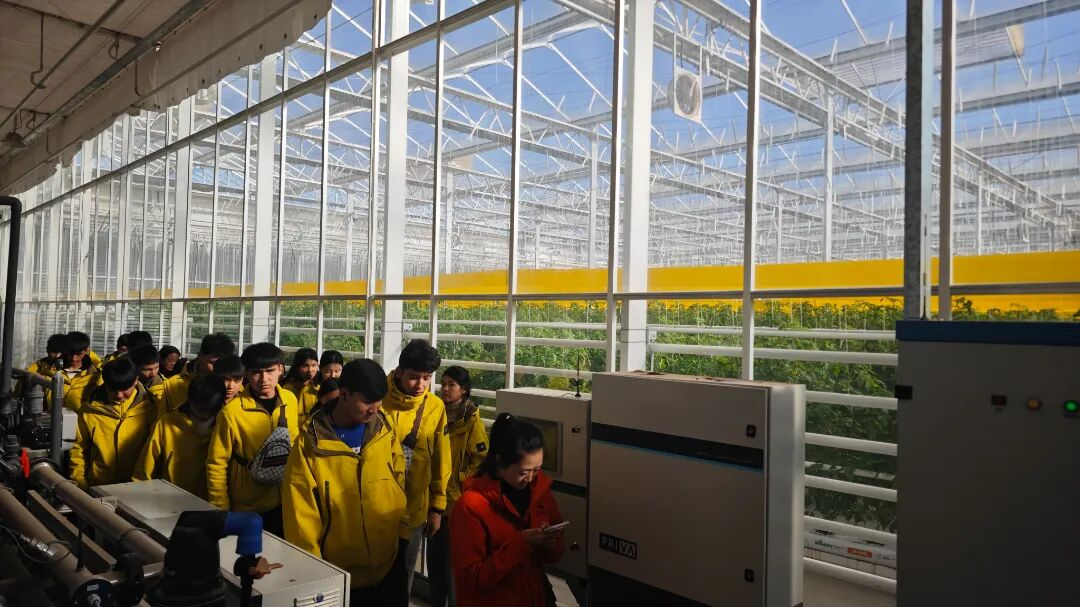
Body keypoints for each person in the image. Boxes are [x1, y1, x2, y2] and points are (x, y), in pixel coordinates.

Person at [283, 359, 408, 606]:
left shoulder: (382, 428)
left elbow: (398, 476)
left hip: (389, 560)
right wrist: (314, 569)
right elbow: (300, 515)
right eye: (367, 402)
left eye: (379, 401)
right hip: (339, 572)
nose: (375, 409)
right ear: (343, 394)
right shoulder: (311, 444)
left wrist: (402, 530)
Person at [450, 413, 565, 607]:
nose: (530, 478)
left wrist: (550, 543)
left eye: (537, 470)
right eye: (523, 472)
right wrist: (521, 544)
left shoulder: (540, 493)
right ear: (500, 461)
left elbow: (555, 555)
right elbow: (472, 579)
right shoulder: (471, 506)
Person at [206, 342, 298, 537]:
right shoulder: (232, 412)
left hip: (285, 499)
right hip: (248, 504)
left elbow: (294, 441)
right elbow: (216, 463)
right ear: (246, 374)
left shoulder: (290, 400)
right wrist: (221, 509)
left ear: (280, 369)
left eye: (270, 371)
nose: (264, 379)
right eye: (256, 372)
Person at [382, 339, 451, 593]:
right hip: (376, 511)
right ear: (399, 372)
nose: (421, 385)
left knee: (404, 580)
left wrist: (437, 508)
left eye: (427, 378)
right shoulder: (378, 398)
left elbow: (441, 459)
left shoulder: (435, 407)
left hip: (414, 511)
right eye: (414, 377)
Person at [428, 366, 488, 607]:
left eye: (451, 384)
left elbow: (481, 459)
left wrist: (460, 479)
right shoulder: (434, 412)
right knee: (435, 562)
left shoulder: (471, 419)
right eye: (443, 383)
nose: (445, 388)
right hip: (434, 499)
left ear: (463, 389)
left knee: (454, 564)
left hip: (457, 502)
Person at [69, 358, 158, 490]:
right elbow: (78, 449)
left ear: (136, 380)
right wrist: (81, 483)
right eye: (113, 389)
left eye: (124, 389)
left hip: (138, 488)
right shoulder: (89, 411)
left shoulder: (152, 408)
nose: (119, 395)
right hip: (98, 486)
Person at [134, 374, 226, 500]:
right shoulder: (167, 423)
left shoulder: (225, 425)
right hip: (171, 499)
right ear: (189, 400)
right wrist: (138, 496)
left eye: (211, 410)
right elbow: (145, 467)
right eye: (200, 409)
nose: (205, 415)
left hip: (211, 502)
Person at [160, 333, 235, 414]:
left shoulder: (234, 386)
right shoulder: (172, 385)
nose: (219, 369)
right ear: (200, 355)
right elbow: (162, 418)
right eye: (213, 363)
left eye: (224, 364)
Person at [62, 331, 103, 413]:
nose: (74, 358)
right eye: (70, 353)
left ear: (87, 351)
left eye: (79, 354)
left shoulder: (95, 375)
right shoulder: (51, 370)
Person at [282, 348, 320, 422]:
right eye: (305, 366)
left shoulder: (319, 387)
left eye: (314, 365)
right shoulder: (287, 389)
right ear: (297, 366)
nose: (310, 370)